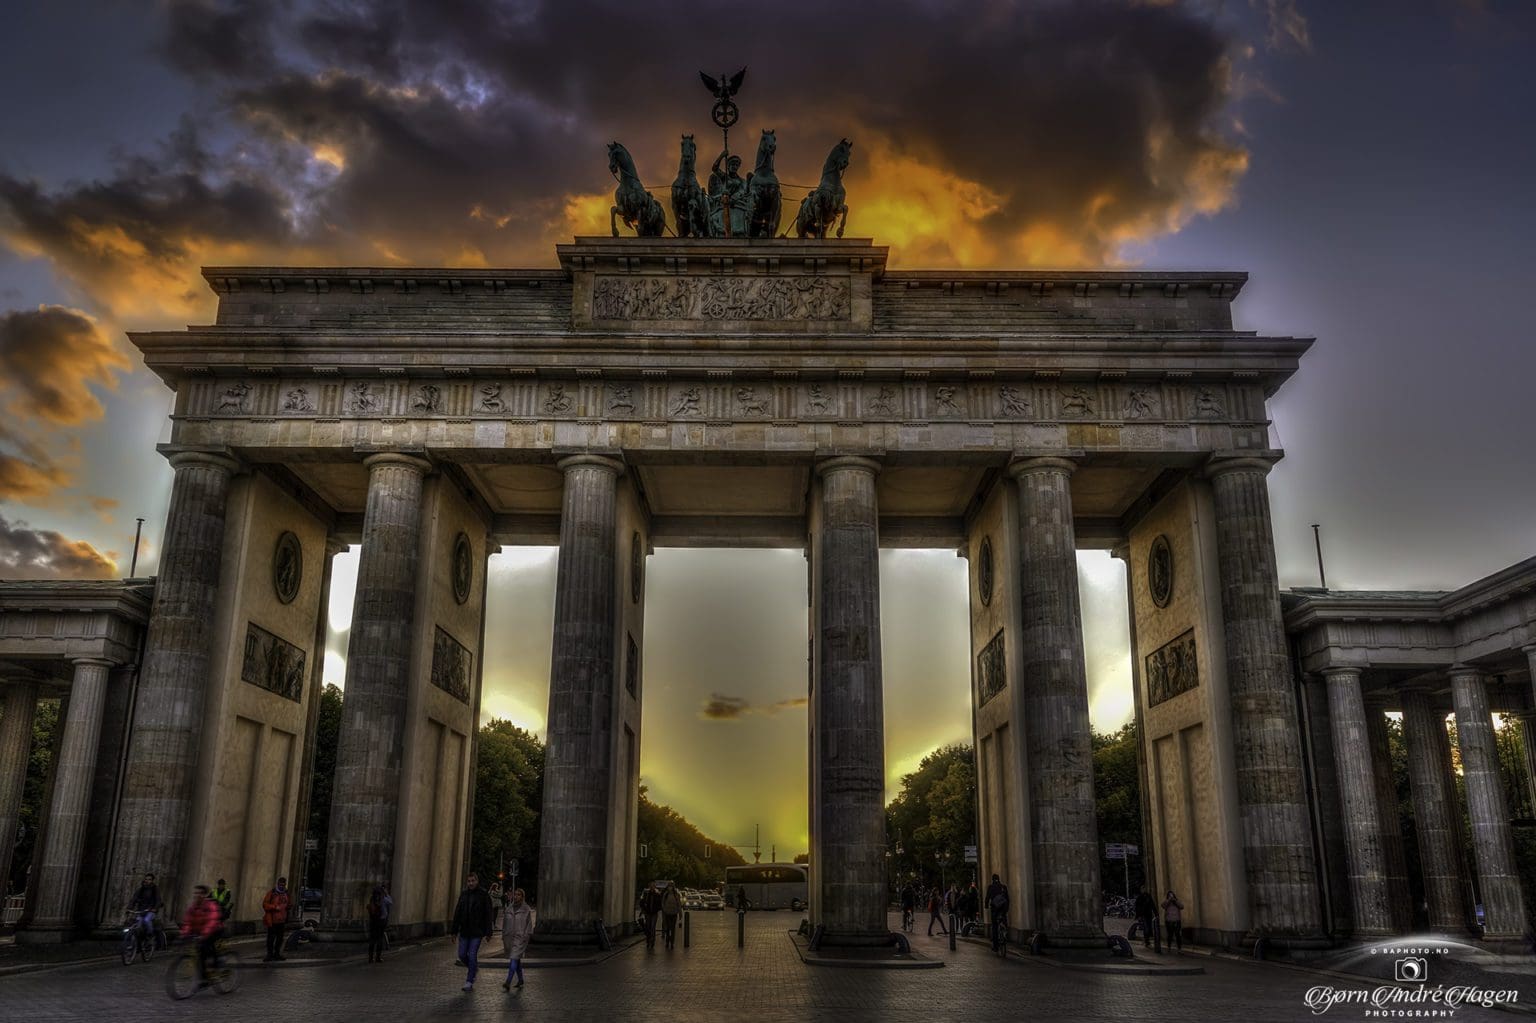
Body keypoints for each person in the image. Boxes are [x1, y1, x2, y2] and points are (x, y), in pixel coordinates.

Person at [450, 872, 495, 991]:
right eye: (469, 881)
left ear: (477, 881)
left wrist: (488, 932)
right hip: (464, 931)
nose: (470, 883)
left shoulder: (483, 895)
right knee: (462, 954)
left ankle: (469, 981)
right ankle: (473, 968)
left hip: (477, 931)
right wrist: (454, 931)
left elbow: (488, 914)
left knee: (472, 954)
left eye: (472, 881)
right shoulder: (464, 895)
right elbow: (457, 913)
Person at [182, 884, 222, 986]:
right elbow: (188, 922)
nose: (197, 895)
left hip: (214, 930)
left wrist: (204, 934)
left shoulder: (210, 905)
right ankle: (203, 978)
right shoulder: (193, 907)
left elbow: (212, 921)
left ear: (204, 895)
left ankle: (216, 965)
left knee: (207, 947)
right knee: (200, 953)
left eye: (199, 893)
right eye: (196, 893)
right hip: (200, 932)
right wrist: (184, 934)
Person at [500, 888, 534, 992]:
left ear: (522, 897)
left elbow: (529, 925)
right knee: (516, 959)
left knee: (513, 958)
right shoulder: (509, 908)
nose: (516, 896)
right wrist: (504, 934)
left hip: (520, 939)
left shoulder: (526, 909)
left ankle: (508, 982)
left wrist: (526, 936)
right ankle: (521, 980)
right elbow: (505, 923)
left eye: (519, 895)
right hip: (509, 938)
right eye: (515, 894)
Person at [127, 872, 164, 947]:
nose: (147, 881)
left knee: (147, 920)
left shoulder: (155, 889)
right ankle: (135, 944)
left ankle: (150, 936)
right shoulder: (141, 889)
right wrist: (129, 908)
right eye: (146, 879)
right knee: (138, 925)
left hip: (150, 911)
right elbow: (134, 899)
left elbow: (158, 900)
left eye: (149, 879)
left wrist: (155, 908)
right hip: (141, 910)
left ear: (152, 881)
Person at [261, 876, 291, 961]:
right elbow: (265, 905)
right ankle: (269, 954)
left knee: (280, 938)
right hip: (272, 920)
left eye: (283, 885)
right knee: (271, 938)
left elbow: (289, 903)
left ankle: (277, 954)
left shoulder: (286, 893)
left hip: (282, 920)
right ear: (278, 884)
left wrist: (288, 906)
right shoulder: (272, 893)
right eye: (280, 884)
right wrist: (274, 907)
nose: (282, 886)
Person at [985, 873, 1010, 952]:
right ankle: (1005, 934)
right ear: (999, 879)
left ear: (992, 880)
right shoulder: (1003, 887)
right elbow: (1007, 898)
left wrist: (986, 905)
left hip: (995, 909)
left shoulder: (991, 887)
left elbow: (987, 898)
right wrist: (1006, 909)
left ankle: (995, 946)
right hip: (1003, 909)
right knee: (1004, 921)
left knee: (995, 927)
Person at [1133, 885, 1160, 952]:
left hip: (1149, 914)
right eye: (1143, 889)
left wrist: (1156, 913)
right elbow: (1137, 907)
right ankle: (1146, 941)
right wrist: (1138, 915)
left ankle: (1147, 940)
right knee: (1146, 928)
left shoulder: (1148, 896)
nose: (1144, 890)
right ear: (1141, 890)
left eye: (1144, 889)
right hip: (1143, 915)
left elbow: (1152, 904)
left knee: (1149, 927)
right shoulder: (1139, 897)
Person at [366, 885, 388, 963]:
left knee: (372, 940)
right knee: (379, 940)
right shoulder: (382, 900)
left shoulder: (372, 899)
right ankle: (378, 957)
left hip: (372, 922)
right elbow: (389, 903)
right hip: (380, 922)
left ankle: (370, 958)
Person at [639, 881, 664, 950]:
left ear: (655, 887)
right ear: (649, 887)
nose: (652, 887)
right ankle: (648, 941)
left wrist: (657, 909)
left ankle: (652, 942)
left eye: (653, 886)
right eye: (651, 886)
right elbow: (641, 902)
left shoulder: (657, 894)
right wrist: (643, 910)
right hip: (647, 913)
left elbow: (660, 904)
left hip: (654, 914)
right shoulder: (646, 894)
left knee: (653, 928)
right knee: (648, 927)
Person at [660, 881, 682, 950]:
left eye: (671, 886)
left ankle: (672, 942)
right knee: (668, 928)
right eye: (669, 886)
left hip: (674, 913)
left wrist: (680, 912)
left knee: (672, 929)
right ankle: (667, 941)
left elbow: (679, 904)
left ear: (673, 887)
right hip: (667, 913)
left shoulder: (676, 895)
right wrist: (664, 909)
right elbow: (662, 903)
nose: (670, 888)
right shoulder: (666, 894)